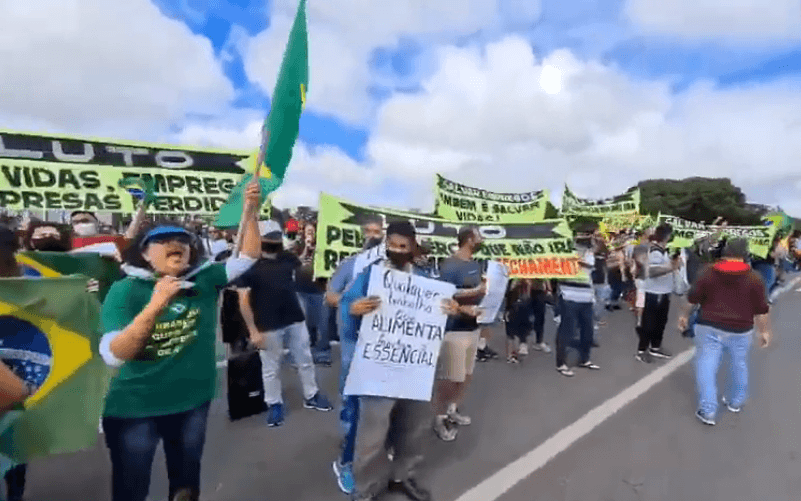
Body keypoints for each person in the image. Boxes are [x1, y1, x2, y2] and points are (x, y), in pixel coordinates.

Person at [98, 182, 262, 501]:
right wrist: (156, 304)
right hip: (135, 408)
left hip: (192, 402)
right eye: (162, 240)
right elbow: (115, 355)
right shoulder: (126, 290)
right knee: (131, 489)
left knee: (185, 486)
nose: (175, 243)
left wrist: (251, 210)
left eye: (182, 240)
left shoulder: (204, 278)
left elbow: (249, 255)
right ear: (145, 253)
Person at [341, 221, 458, 501]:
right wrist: (353, 308)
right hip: (378, 370)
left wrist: (451, 311)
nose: (396, 250)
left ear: (413, 247)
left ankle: (401, 477)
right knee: (371, 437)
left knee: (413, 430)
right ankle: (366, 489)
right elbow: (347, 305)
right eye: (391, 244)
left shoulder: (428, 279)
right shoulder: (371, 275)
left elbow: (440, 323)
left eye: (402, 246)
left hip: (416, 370)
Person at [236, 219, 332, 428]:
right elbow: (243, 300)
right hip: (267, 325)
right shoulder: (248, 264)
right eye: (270, 237)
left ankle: (311, 394)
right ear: (260, 239)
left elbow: (302, 268)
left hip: (295, 319)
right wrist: (253, 331)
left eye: (277, 237)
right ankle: (274, 404)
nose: (274, 241)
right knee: (271, 368)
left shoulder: (287, 257)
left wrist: (311, 253)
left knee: (305, 359)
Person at [678, 238, 771, 426]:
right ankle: (735, 401)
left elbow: (692, 298)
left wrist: (684, 316)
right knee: (739, 364)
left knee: (706, 365)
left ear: (725, 252)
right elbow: (762, 309)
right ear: (745, 254)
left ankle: (708, 410)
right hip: (741, 329)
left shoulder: (708, 272)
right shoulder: (754, 277)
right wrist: (764, 331)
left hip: (709, 325)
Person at [325, 216, 385, 495]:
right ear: (362, 234)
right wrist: (351, 304)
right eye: (369, 231)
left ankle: (371, 455)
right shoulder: (351, 265)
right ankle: (345, 462)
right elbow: (330, 295)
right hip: (353, 346)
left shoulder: (390, 269)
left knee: (377, 408)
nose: (373, 235)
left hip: (382, 350)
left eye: (378, 232)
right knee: (353, 405)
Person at [432, 227, 486, 442]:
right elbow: (444, 296)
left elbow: (479, 291)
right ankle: (439, 417)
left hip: (473, 327)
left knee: (466, 375)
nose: (482, 239)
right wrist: (466, 306)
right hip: (454, 329)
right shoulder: (450, 265)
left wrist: (481, 297)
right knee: (449, 379)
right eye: (479, 235)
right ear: (470, 239)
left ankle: (453, 409)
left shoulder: (475, 263)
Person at [554, 233, 599, 377]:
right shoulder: (565, 251)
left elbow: (591, 266)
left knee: (588, 332)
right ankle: (561, 364)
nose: (589, 236)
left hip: (587, 297)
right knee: (567, 331)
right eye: (586, 233)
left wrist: (599, 240)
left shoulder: (590, 252)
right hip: (569, 296)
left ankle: (584, 359)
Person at [637, 224, 680, 363]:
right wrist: (671, 268)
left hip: (664, 292)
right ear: (667, 236)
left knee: (660, 322)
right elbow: (653, 272)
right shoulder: (656, 252)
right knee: (649, 323)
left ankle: (655, 347)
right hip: (655, 293)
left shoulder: (663, 250)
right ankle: (642, 350)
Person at [504, 279, 532, 364]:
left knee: (523, 325)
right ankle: (511, 354)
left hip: (522, 304)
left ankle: (521, 344)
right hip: (513, 305)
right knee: (511, 331)